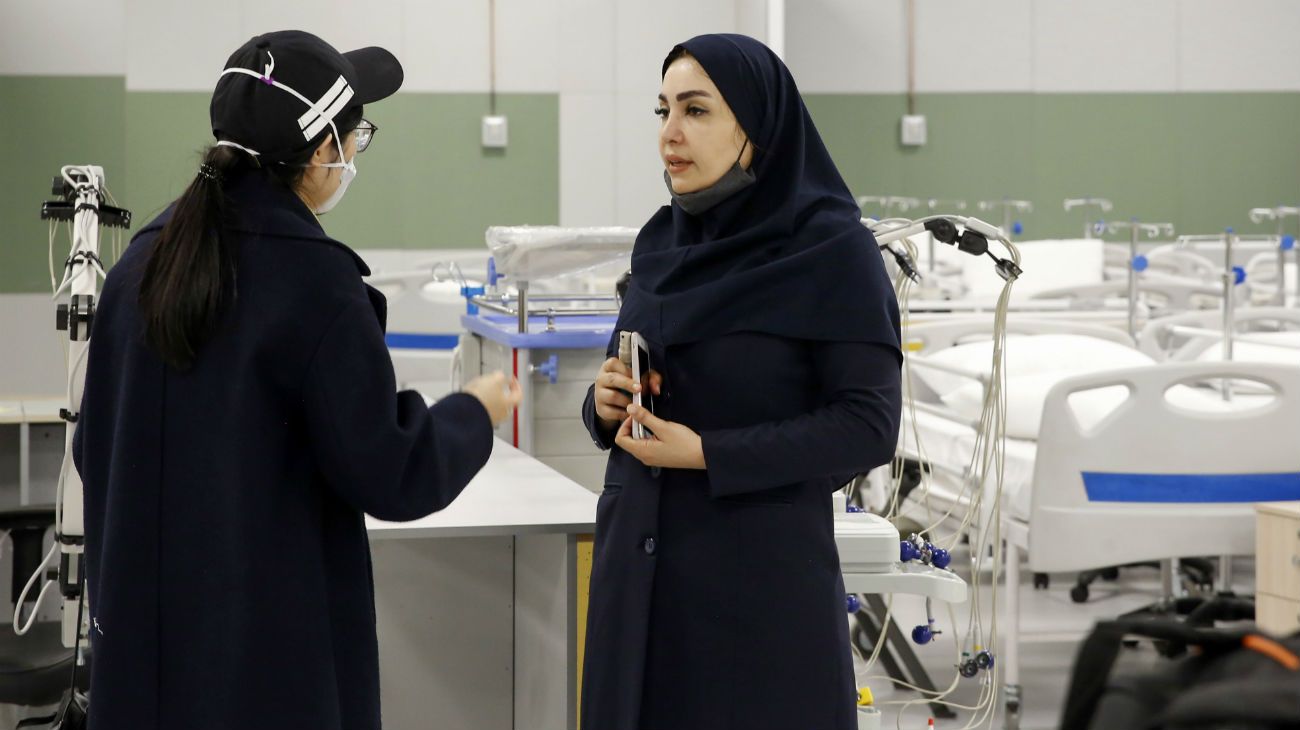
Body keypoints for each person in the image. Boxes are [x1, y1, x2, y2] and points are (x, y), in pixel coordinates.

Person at [72, 30, 520, 730]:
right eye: (355, 138)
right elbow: (388, 469)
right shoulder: (315, 283)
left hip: (141, 671)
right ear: (321, 154)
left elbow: (92, 446)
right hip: (263, 676)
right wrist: (473, 413)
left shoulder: (140, 267)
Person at [580, 34, 903, 730]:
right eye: (662, 109)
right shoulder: (662, 242)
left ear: (757, 126)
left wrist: (706, 453)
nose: (669, 134)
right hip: (638, 579)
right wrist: (603, 404)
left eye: (696, 111)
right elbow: (630, 375)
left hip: (755, 590)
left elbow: (867, 425)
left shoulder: (833, 251)